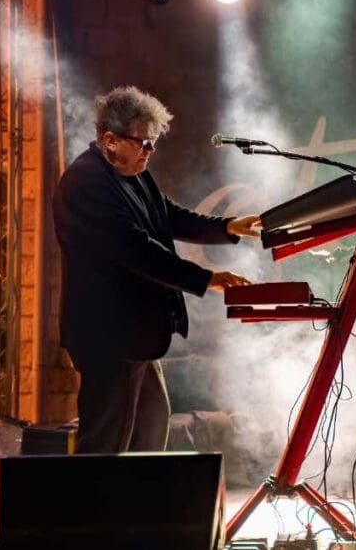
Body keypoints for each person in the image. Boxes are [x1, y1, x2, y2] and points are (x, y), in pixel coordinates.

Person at [53, 86, 259, 454]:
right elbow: (135, 249)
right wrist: (205, 279)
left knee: (151, 427)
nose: (150, 151)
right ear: (110, 139)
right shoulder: (86, 182)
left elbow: (169, 215)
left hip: (134, 334)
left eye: (153, 143)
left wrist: (227, 227)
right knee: (106, 442)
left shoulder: (132, 173)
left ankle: (141, 492)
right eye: (143, 143)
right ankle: (95, 494)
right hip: (109, 336)